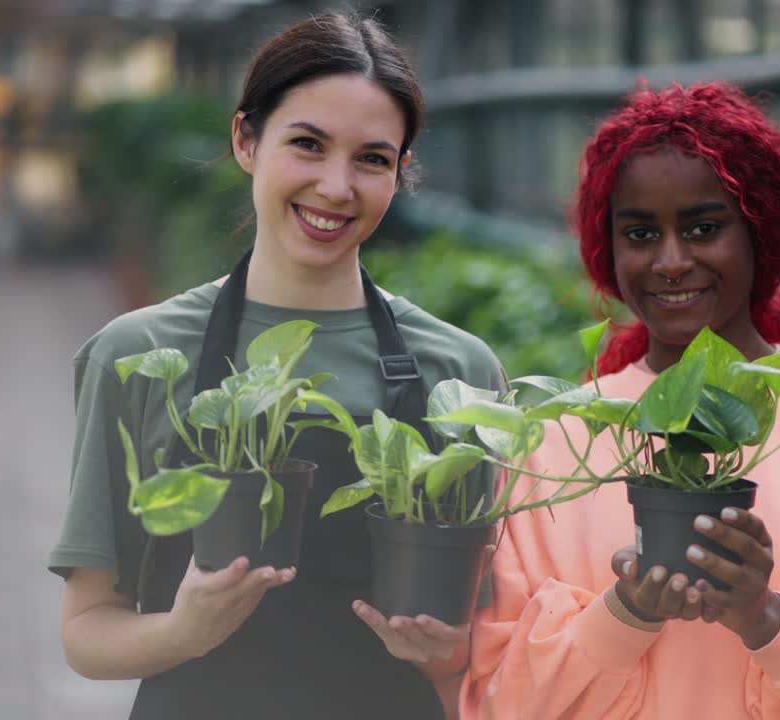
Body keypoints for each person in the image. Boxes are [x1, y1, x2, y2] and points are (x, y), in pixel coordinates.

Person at [461, 82, 780, 719]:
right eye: (641, 233)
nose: (671, 261)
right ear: (607, 247)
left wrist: (766, 617)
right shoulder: (559, 438)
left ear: (761, 234)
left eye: (704, 228)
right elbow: (498, 701)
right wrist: (627, 612)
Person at [48, 13, 502, 719]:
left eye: (373, 159)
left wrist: (443, 651)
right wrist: (182, 630)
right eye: (308, 144)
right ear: (245, 141)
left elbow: (491, 639)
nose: (336, 186)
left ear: (401, 175)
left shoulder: (458, 371)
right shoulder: (135, 357)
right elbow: (86, 631)